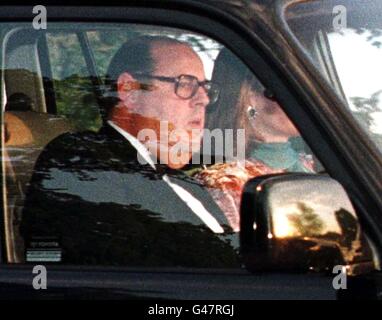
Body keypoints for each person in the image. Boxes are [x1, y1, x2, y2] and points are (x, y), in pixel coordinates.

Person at [20, 36, 239, 267]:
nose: (203, 99)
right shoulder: (81, 160)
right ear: (129, 90)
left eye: (205, 88)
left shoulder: (185, 184)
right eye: (186, 84)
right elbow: (126, 268)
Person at [194, 48, 315, 231]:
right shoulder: (227, 184)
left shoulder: (313, 161)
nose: (304, 100)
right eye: (288, 90)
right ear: (251, 97)